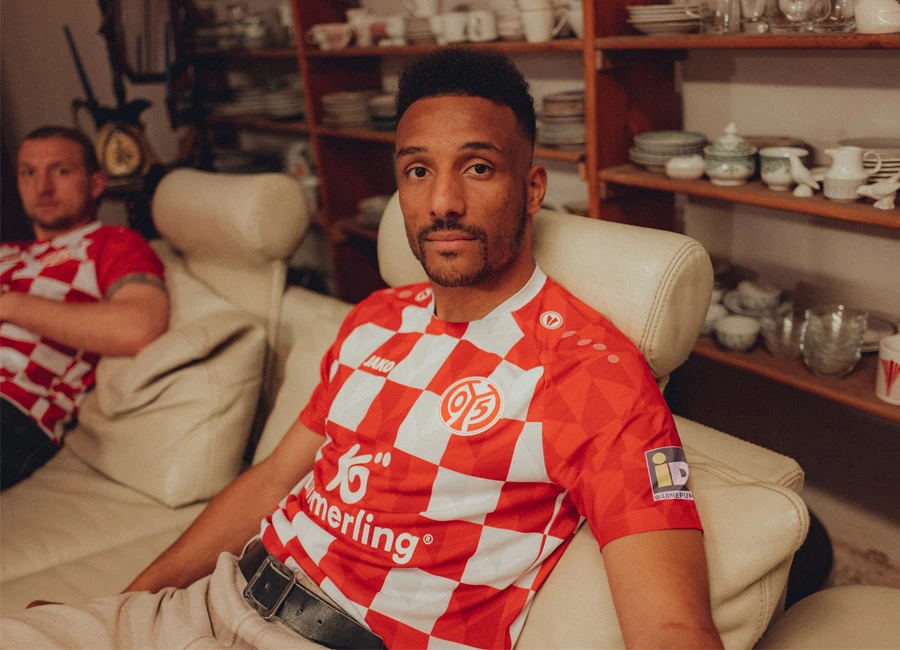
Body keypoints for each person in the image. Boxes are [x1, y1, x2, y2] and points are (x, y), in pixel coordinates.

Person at [2, 51, 723, 649]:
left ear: (532, 188)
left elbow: (671, 627)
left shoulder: (593, 373)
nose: (442, 202)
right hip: (212, 603)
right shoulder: (375, 317)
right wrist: (125, 609)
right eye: (418, 171)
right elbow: (271, 479)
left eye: (477, 168)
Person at [0, 126, 169, 490]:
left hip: (15, 408)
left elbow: (138, 326)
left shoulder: (110, 243)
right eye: (28, 172)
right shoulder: (7, 253)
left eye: (60, 171)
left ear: (95, 184)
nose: (42, 187)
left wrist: (9, 304)